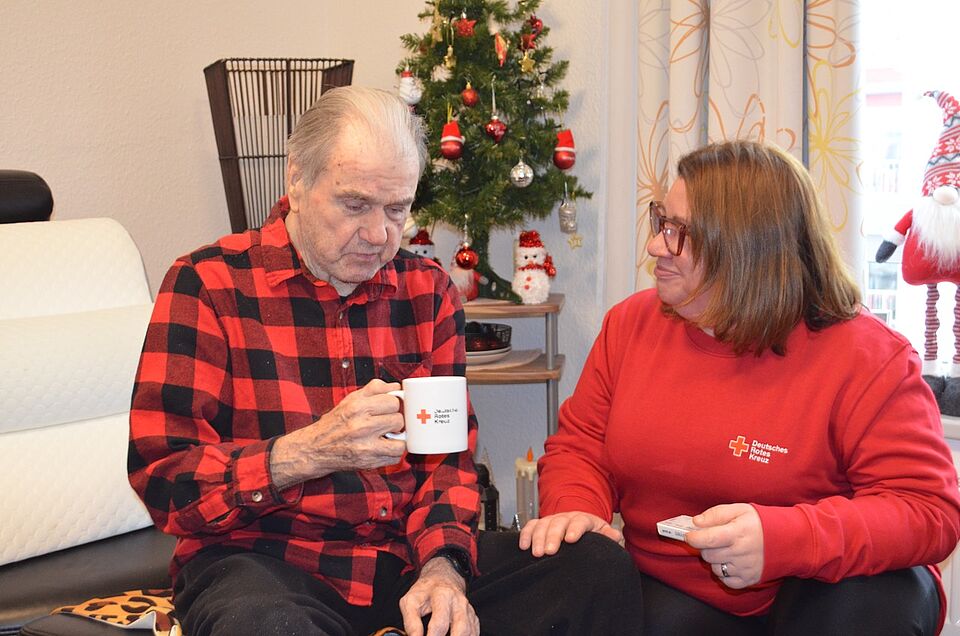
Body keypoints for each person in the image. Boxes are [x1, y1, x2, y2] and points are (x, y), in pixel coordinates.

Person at [128, 86, 641, 636]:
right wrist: (306, 452)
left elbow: (448, 465)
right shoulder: (208, 283)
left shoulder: (427, 293)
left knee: (595, 567)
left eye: (397, 209)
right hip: (265, 562)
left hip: (403, 561)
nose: (378, 235)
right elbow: (164, 480)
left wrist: (443, 569)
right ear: (297, 180)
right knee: (266, 625)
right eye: (354, 205)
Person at [520, 140, 960, 635]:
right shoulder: (630, 325)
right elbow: (582, 449)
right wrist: (577, 512)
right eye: (660, 220)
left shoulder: (867, 357)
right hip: (674, 590)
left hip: (824, 588)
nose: (655, 245)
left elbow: (928, 511)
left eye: (678, 233)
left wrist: (784, 539)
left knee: (871, 603)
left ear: (747, 251)